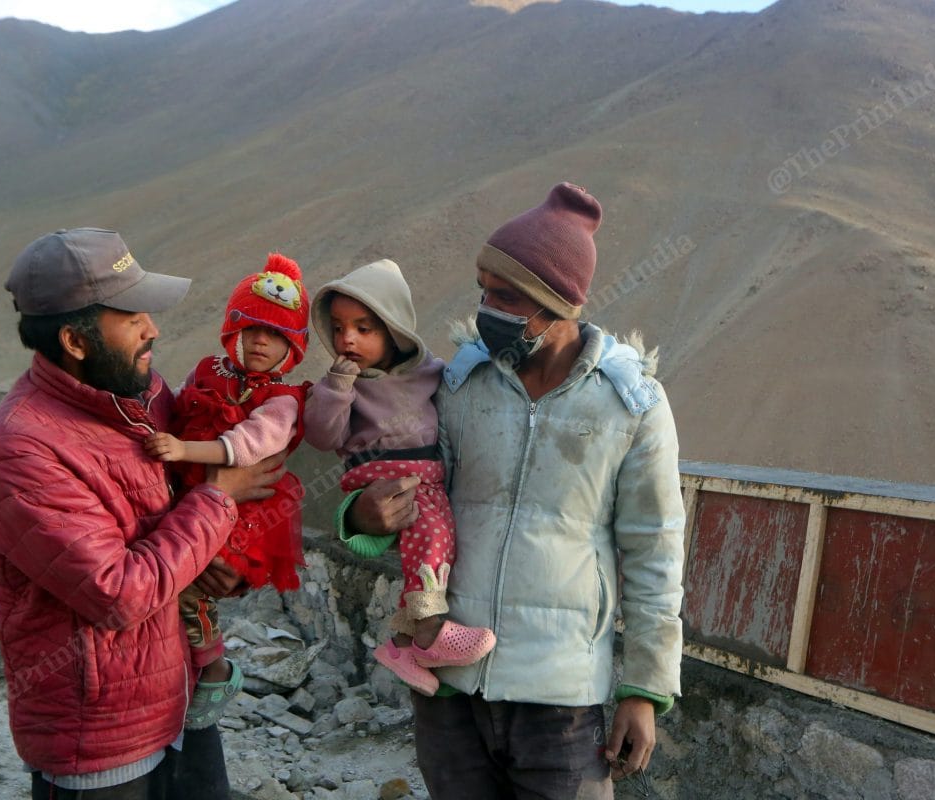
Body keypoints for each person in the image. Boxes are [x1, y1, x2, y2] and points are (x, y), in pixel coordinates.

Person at [341, 184, 686, 798]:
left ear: (560, 302)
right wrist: (362, 515)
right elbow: (414, 481)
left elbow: (655, 550)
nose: (486, 307)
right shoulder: (460, 384)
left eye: (507, 296)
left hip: (562, 698)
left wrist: (644, 689)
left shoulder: (630, 404)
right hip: (448, 679)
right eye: (483, 289)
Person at [0, 227, 283, 800]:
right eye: (132, 316)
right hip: (102, 743)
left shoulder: (140, 396)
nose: (153, 329)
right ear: (76, 341)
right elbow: (118, 593)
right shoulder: (20, 450)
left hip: (178, 702)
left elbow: (174, 521)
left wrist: (214, 557)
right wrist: (219, 500)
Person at [302, 259, 496, 696]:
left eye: (364, 328)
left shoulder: (429, 373)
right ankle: (429, 630)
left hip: (426, 475)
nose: (346, 339)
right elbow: (322, 435)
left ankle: (403, 645)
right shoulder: (342, 384)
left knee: (439, 535)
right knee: (430, 536)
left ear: (395, 330)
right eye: (338, 327)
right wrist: (336, 388)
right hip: (384, 475)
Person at [143, 253, 311, 729]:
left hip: (244, 512)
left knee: (188, 587)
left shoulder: (282, 402)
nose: (261, 341)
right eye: (252, 329)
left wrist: (182, 449)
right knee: (175, 583)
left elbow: (245, 447)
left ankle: (213, 667)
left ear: (292, 349)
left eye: (276, 334)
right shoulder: (207, 372)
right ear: (231, 331)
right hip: (192, 497)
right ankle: (192, 673)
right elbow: (171, 406)